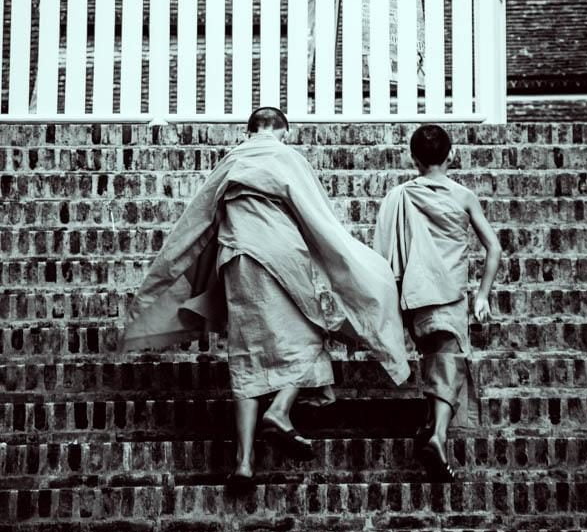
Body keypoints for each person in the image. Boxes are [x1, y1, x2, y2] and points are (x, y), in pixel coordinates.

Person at [122, 107, 410, 489]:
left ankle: (243, 462)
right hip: (282, 255)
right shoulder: (288, 157)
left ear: (250, 130)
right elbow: (316, 217)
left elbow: (195, 222)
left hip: (238, 258)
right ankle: (279, 410)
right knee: (312, 334)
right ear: (282, 131)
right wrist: (352, 265)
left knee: (246, 353)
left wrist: (162, 282)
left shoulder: (232, 160)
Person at [373, 123, 501, 481]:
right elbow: (494, 248)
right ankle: (438, 435)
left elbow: (383, 251)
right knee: (449, 361)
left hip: (413, 295)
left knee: (435, 358)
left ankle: (431, 426)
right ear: (452, 155)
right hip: (449, 293)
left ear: (413, 158)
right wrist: (482, 296)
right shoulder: (463, 197)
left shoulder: (401, 196)